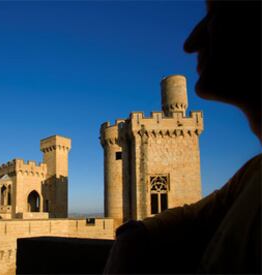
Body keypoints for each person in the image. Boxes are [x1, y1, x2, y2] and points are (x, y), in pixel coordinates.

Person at [104, 1, 261, 274]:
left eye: (216, 15)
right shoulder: (252, 174)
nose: (191, 41)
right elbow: (194, 217)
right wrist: (135, 232)